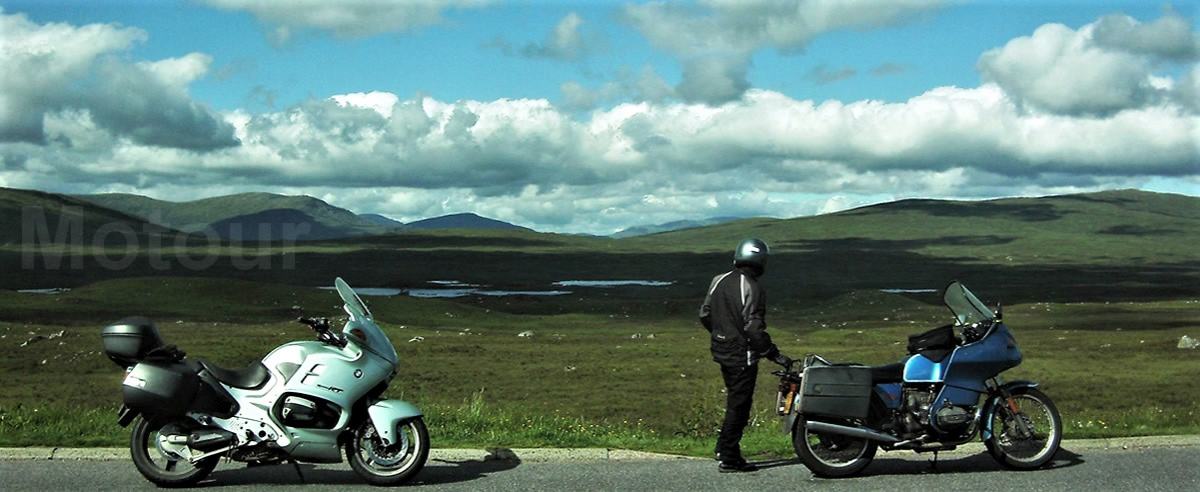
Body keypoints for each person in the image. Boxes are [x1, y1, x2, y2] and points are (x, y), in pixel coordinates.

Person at [699, 238, 792, 473]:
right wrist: (773, 354)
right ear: (760, 260)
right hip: (742, 355)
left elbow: (705, 314)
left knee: (734, 400)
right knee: (739, 405)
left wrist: (722, 333)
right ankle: (729, 456)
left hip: (721, 349)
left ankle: (722, 447)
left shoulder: (718, 280)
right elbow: (753, 328)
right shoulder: (753, 287)